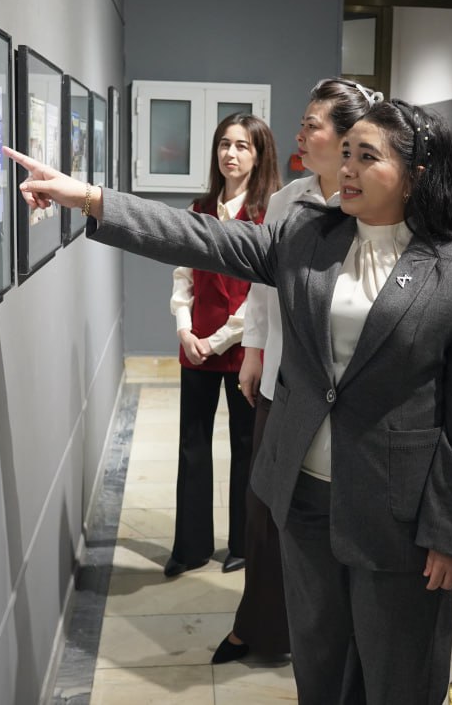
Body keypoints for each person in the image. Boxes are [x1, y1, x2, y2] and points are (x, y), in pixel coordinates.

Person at [8, 98, 452, 705]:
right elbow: (198, 236)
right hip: (305, 496)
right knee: (319, 664)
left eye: (366, 157)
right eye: (345, 153)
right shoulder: (307, 236)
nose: (346, 168)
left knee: (398, 673)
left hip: (396, 510)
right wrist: (89, 197)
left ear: (417, 173)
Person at [214, 77, 380, 665]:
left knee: (331, 522)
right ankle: (260, 627)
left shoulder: (378, 212)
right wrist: (255, 350)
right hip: (283, 383)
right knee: (265, 513)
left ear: (348, 140)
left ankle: (328, 640)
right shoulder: (287, 202)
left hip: (347, 397)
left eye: (312, 125)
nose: (299, 134)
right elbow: (262, 287)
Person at [163, 112, 280, 578]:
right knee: (192, 444)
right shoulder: (199, 210)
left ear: (258, 155)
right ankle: (190, 547)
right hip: (196, 347)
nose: (230, 154)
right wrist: (184, 329)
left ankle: (244, 544)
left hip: (243, 350)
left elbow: (258, 298)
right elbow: (182, 276)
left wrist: (214, 340)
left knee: (246, 446)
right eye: (224, 145)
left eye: (242, 146)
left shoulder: (269, 215)